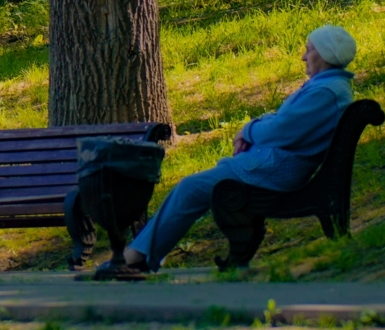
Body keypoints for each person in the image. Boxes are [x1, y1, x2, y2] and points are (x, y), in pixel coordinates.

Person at [110, 24, 358, 273]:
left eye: (309, 50)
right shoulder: (326, 88)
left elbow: (281, 129)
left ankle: (138, 256)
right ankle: (140, 254)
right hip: (270, 166)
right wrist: (251, 129)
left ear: (325, 55)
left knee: (190, 188)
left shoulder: (325, 92)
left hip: (272, 172)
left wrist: (246, 132)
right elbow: (279, 122)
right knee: (190, 187)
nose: (304, 56)